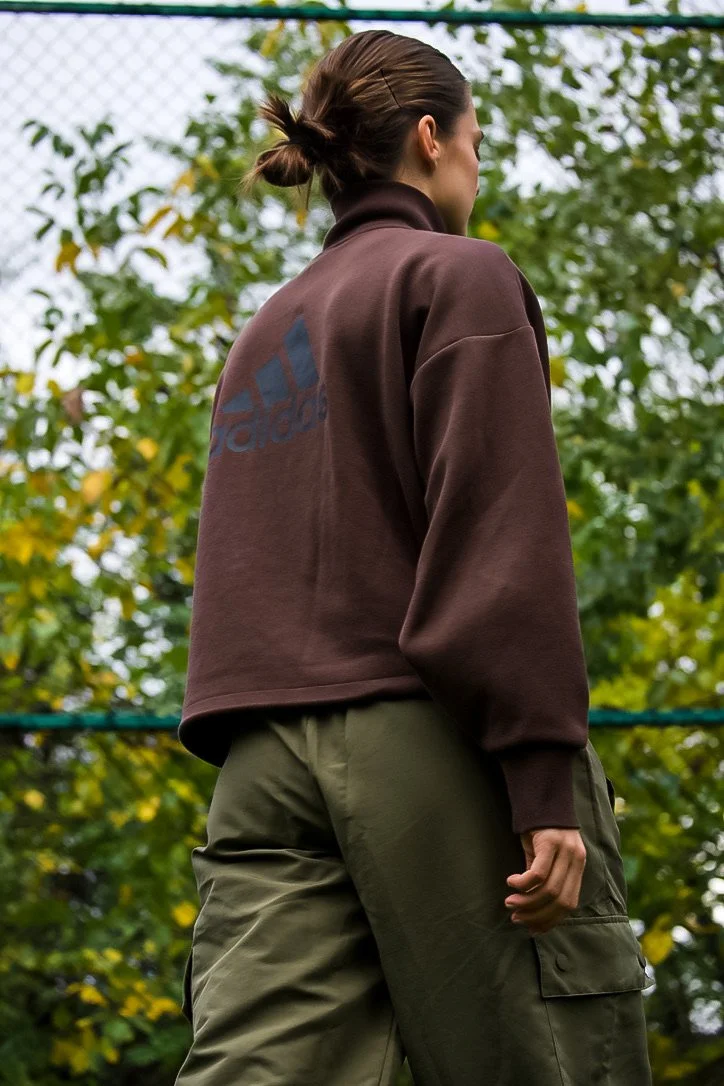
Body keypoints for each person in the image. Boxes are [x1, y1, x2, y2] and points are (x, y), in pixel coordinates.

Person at [174, 28, 653, 1086]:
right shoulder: (458, 277)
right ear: (431, 139)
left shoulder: (269, 327)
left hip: (257, 765)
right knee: (550, 1052)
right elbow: (498, 537)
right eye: (476, 143)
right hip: (417, 736)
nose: (475, 168)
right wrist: (538, 782)